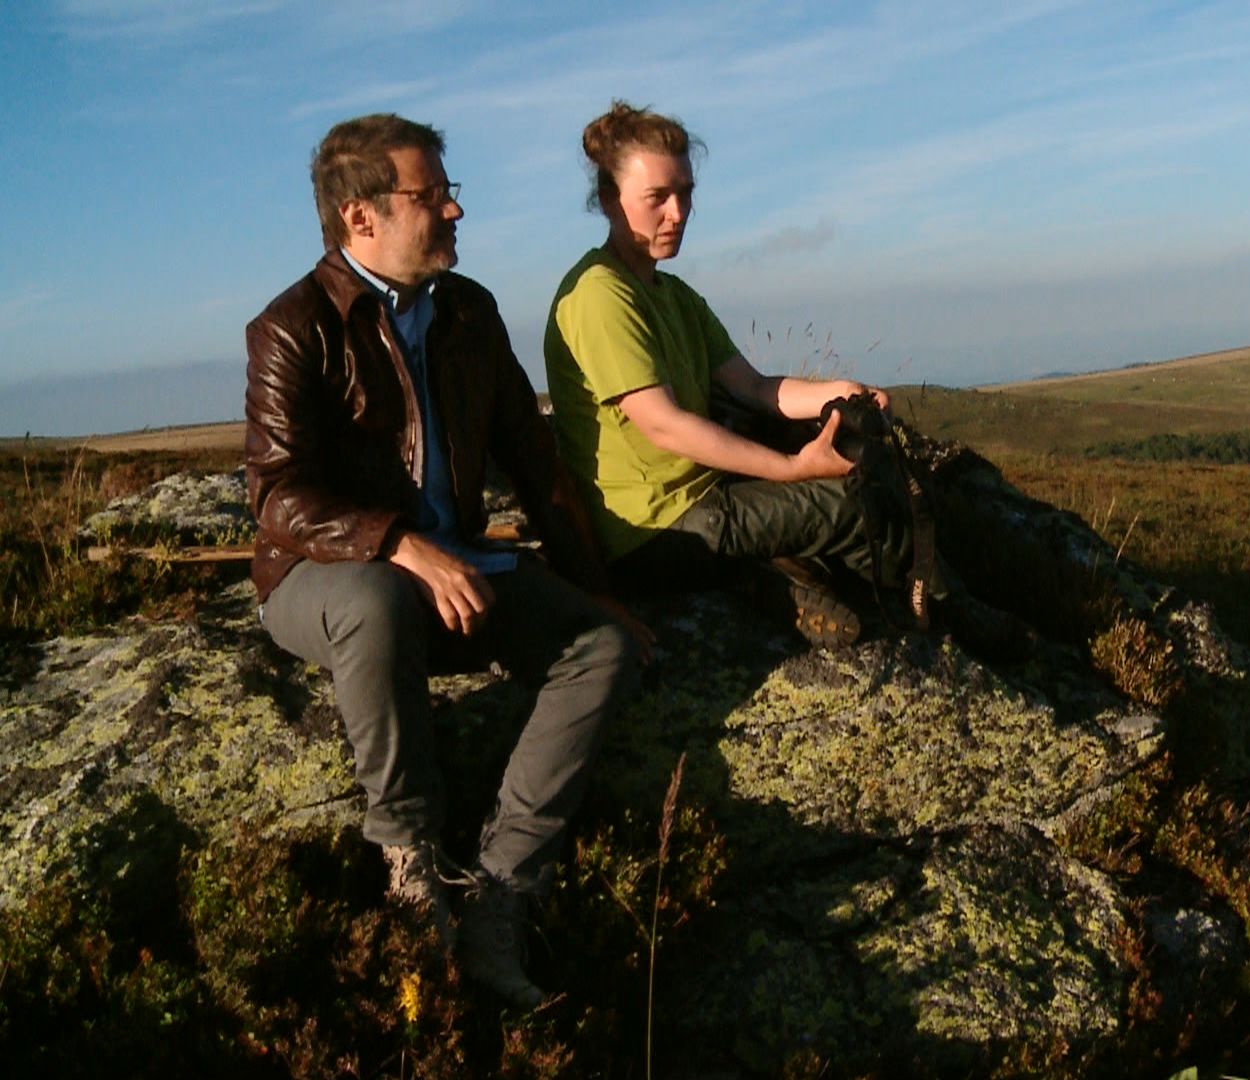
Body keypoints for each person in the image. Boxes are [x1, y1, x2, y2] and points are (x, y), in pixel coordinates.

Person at [244, 113, 647, 1007]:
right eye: (431, 196)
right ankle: (409, 860)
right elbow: (274, 496)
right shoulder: (291, 327)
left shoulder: (471, 313)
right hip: (322, 580)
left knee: (601, 650)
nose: (456, 209)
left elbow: (535, 464)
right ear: (361, 217)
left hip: (456, 569)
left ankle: (502, 893)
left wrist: (595, 592)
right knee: (376, 603)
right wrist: (398, 543)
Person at [543, 101, 923, 647]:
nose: (678, 213)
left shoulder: (672, 295)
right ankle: (916, 623)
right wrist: (794, 468)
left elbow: (753, 387)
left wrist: (838, 393)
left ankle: (780, 582)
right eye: (658, 198)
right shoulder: (600, 294)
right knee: (844, 505)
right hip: (651, 533)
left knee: (860, 472)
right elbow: (666, 427)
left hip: (702, 500)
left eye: (686, 193)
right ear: (609, 199)